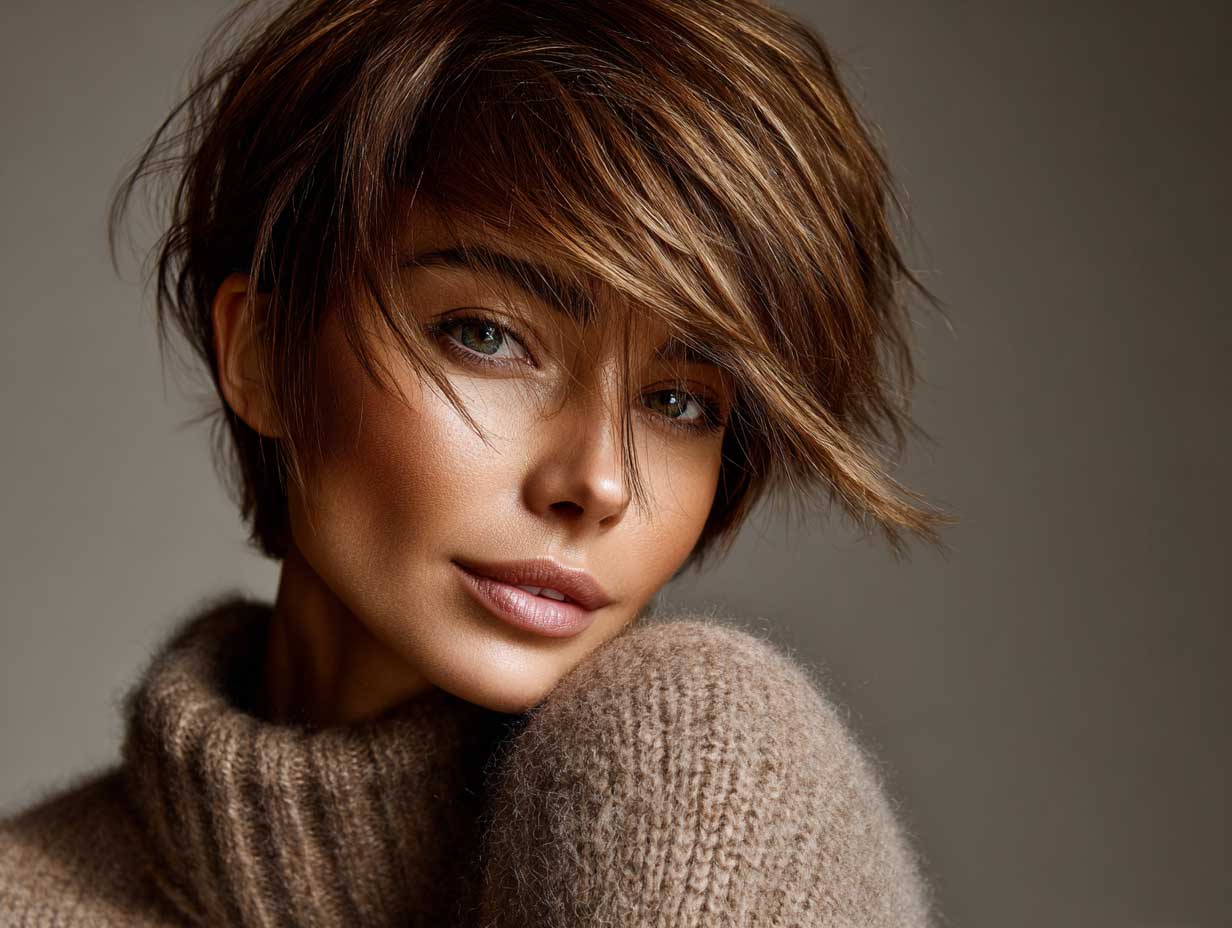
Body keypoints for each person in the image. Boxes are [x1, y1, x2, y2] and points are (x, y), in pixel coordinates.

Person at [0, 0, 955, 924]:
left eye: (678, 401)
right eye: (488, 336)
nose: (599, 482)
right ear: (263, 354)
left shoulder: (705, 762)